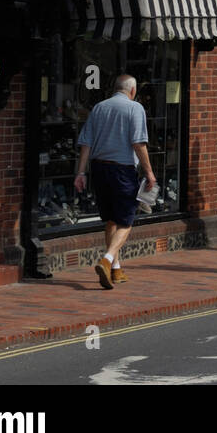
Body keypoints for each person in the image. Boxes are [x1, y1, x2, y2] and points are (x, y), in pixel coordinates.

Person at [74, 75, 155, 289]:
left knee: (111, 219)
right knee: (126, 220)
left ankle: (116, 269)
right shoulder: (134, 108)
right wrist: (149, 171)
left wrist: (80, 173)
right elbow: (138, 143)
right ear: (133, 90)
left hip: (99, 168)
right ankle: (107, 258)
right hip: (122, 169)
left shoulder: (99, 108)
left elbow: (85, 143)